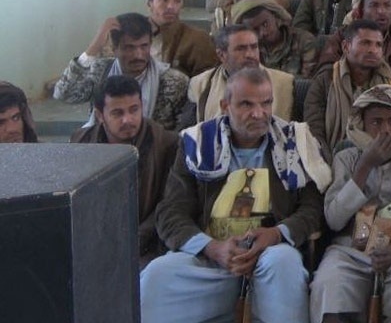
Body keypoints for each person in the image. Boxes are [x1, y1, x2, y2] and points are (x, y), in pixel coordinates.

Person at [140, 68, 330, 323]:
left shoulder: (293, 143)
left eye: (266, 103)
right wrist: (213, 248)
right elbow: (171, 212)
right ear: (225, 105)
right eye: (246, 104)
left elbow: (312, 209)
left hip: (269, 256)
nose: (259, 113)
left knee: (284, 263)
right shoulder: (197, 144)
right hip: (210, 257)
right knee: (157, 276)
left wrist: (276, 234)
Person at [310, 85, 391, 323]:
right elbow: (334, 220)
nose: (386, 131)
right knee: (328, 281)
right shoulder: (345, 159)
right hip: (349, 250)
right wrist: (365, 166)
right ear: (362, 124)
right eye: (376, 122)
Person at [71, 75, 179, 266]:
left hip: (147, 245)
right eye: (117, 113)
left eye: (134, 110)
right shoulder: (81, 143)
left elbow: (168, 205)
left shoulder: (167, 144)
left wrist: (132, 241)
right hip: (93, 242)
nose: (128, 119)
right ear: (100, 115)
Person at [54, 12, 190, 131]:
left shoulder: (173, 81)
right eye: (129, 48)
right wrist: (94, 47)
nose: (138, 55)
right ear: (114, 49)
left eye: (144, 46)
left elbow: (183, 131)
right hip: (104, 146)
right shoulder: (101, 72)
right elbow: (64, 94)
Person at [306, 20, 391, 158]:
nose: (373, 50)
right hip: (333, 157)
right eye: (365, 43)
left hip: (385, 159)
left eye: (378, 45)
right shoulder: (324, 82)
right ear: (346, 47)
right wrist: (329, 163)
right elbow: (314, 131)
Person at [186, 24, 295, 123]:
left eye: (254, 47)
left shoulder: (285, 83)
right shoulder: (200, 84)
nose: (250, 54)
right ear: (221, 55)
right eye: (241, 49)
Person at [229, 0, 319, 78]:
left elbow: (307, 83)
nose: (263, 32)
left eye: (265, 24)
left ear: (275, 17)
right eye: (255, 30)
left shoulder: (304, 41)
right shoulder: (247, 51)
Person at [143, 0, 219, 77]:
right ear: (150, 4)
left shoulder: (197, 39)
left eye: (177, 1)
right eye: (164, 0)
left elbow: (207, 80)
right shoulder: (133, 35)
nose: (171, 6)